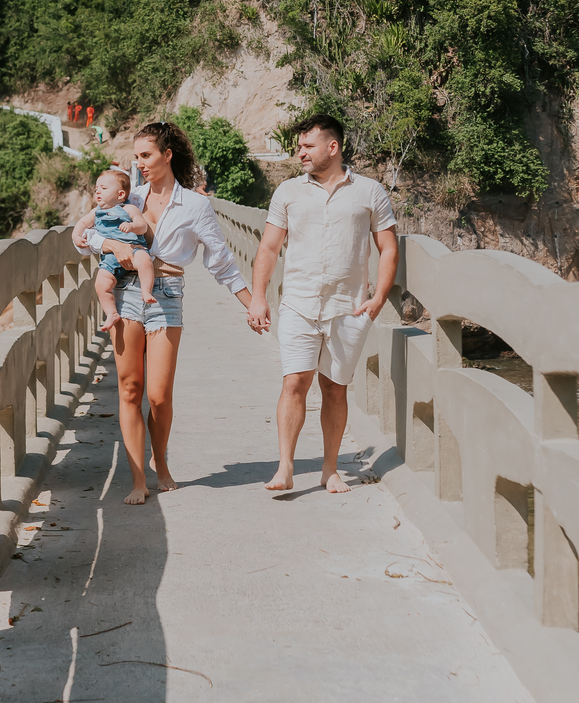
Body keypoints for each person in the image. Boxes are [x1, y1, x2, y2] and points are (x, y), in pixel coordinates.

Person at [73, 120, 256, 506]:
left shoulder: (195, 205)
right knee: (129, 389)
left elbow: (220, 260)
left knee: (158, 395)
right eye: (136, 156)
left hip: (167, 294)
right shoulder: (129, 195)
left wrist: (251, 302)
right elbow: (83, 237)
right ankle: (139, 479)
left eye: (146, 155)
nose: (139, 163)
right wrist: (110, 245)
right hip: (125, 291)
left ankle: (161, 461)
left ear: (167, 155)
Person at [247, 114, 399, 495]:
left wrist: (379, 297)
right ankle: (285, 466)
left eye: (307, 146)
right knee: (294, 382)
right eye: (299, 146)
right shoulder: (288, 192)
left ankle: (329, 469)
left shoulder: (370, 192)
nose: (300, 152)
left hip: (348, 308)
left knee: (334, 388)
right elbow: (268, 247)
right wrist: (258, 297)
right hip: (299, 303)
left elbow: (388, 247)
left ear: (333, 147)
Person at [72, 167, 156, 331]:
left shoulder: (128, 209)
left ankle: (146, 291)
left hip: (134, 248)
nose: (98, 192)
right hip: (110, 256)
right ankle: (111, 313)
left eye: (103, 188)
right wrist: (76, 236)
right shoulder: (96, 212)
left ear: (120, 195)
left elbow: (143, 226)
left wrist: (132, 226)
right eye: (96, 189)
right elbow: (82, 223)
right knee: (101, 284)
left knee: (145, 261)